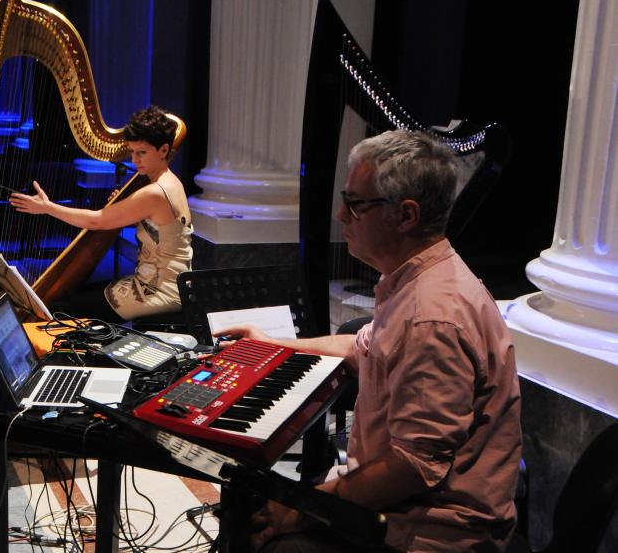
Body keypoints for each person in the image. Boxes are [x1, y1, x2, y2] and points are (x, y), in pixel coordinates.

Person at [215, 130, 522, 552]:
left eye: (356, 204)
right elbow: (360, 347)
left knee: (259, 538)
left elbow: (413, 466)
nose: (341, 215)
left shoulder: (430, 318)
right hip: (403, 508)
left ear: (406, 215)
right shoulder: (416, 279)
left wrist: (305, 506)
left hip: (431, 533)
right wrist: (273, 345)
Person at [9, 105, 193, 322]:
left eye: (142, 153)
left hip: (159, 292)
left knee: (60, 308)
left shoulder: (155, 192)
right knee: (79, 294)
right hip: (166, 283)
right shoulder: (171, 182)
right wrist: (129, 208)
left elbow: (97, 222)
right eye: (132, 152)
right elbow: (161, 231)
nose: (135, 160)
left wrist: (47, 207)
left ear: (163, 150)